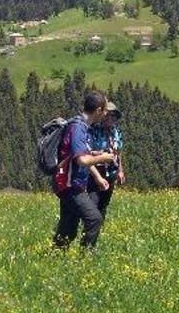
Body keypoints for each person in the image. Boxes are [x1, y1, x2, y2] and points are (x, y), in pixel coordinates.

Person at [52, 91, 116, 249]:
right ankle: (86, 257)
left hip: (73, 184)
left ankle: (54, 256)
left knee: (68, 230)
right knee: (94, 219)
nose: (107, 113)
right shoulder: (78, 128)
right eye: (105, 110)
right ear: (99, 110)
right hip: (69, 185)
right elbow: (82, 160)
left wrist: (95, 156)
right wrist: (104, 158)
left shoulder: (83, 127)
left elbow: (79, 154)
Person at [88, 101, 126, 223]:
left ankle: (98, 230)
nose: (110, 118)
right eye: (108, 115)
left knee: (104, 205)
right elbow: (87, 151)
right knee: (93, 204)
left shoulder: (117, 132)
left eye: (113, 116)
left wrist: (120, 171)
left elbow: (118, 152)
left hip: (111, 174)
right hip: (95, 173)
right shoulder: (94, 130)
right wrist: (100, 154)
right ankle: (89, 231)